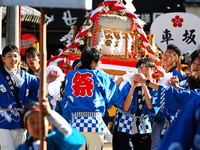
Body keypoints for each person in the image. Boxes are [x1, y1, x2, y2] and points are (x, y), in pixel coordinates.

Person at [62, 46, 116, 150]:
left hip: (75, 123)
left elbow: (66, 98)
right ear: (93, 62)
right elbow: (108, 97)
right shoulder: (102, 76)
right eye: (99, 62)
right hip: (95, 123)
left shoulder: (70, 75)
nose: (99, 65)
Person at [113, 57, 160, 150]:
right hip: (126, 123)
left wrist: (144, 85)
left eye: (147, 69)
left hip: (144, 125)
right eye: (141, 69)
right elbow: (125, 108)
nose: (144, 72)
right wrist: (133, 87)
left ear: (153, 70)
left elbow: (151, 107)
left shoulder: (155, 87)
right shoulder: (129, 84)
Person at [0, 44, 40, 149]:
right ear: (3, 59)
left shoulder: (27, 76)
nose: (13, 59)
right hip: (2, 121)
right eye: (9, 56)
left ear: (19, 58)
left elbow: (38, 93)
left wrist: (47, 83)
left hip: (21, 122)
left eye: (15, 56)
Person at [16, 98, 86, 150]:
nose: (37, 126)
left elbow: (72, 136)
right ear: (26, 127)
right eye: (32, 122)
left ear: (50, 124)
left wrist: (50, 113)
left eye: (41, 121)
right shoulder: (22, 148)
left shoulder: (56, 141)